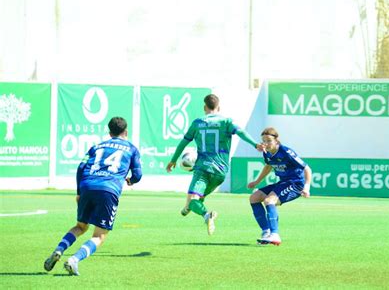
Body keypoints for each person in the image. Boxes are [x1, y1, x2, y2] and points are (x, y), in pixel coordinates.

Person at [44, 116, 142, 275]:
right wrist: (131, 180)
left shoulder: (96, 147)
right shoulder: (131, 149)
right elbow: (138, 174)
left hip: (87, 186)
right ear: (126, 131)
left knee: (80, 227)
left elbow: (81, 167)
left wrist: (78, 192)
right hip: (108, 190)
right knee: (100, 235)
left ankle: (59, 250)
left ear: (109, 132)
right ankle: (74, 260)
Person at [166, 94, 263, 235]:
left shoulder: (197, 123)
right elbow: (240, 132)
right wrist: (255, 144)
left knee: (194, 201)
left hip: (202, 168)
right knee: (198, 198)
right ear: (219, 107)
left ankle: (205, 214)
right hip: (220, 172)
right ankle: (187, 208)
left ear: (205, 107)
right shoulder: (226, 122)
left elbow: (184, 142)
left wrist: (173, 160)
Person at [247, 127, 311, 246]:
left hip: (295, 184)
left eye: (269, 140)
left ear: (276, 140)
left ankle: (275, 235)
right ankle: (266, 232)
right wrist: (256, 182)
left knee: (269, 200)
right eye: (263, 141)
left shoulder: (286, 152)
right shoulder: (266, 153)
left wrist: (306, 187)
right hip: (283, 183)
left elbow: (307, 168)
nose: (265, 143)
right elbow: (268, 166)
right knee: (254, 198)